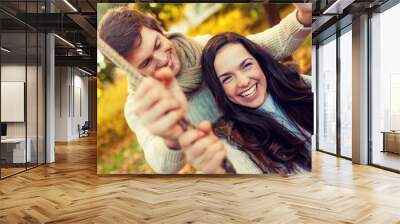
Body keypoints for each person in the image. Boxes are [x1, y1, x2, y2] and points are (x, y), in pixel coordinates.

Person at [98, 4, 312, 173]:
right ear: (131, 71)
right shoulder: (141, 104)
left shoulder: (200, 47)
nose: (163, 60)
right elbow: (161, 164)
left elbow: (263, 48)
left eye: (157, 45)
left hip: (269, 124)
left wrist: (303, 16)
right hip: (233, 160)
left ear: (159, 29)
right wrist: (171, 137)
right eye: (146, 63)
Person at [178, 32, 313, 174]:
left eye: (247, 65)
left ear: (259, 61)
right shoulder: (235, 142)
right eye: (227, 78)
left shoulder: (296, 83)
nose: (243, 82)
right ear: (219, 89)